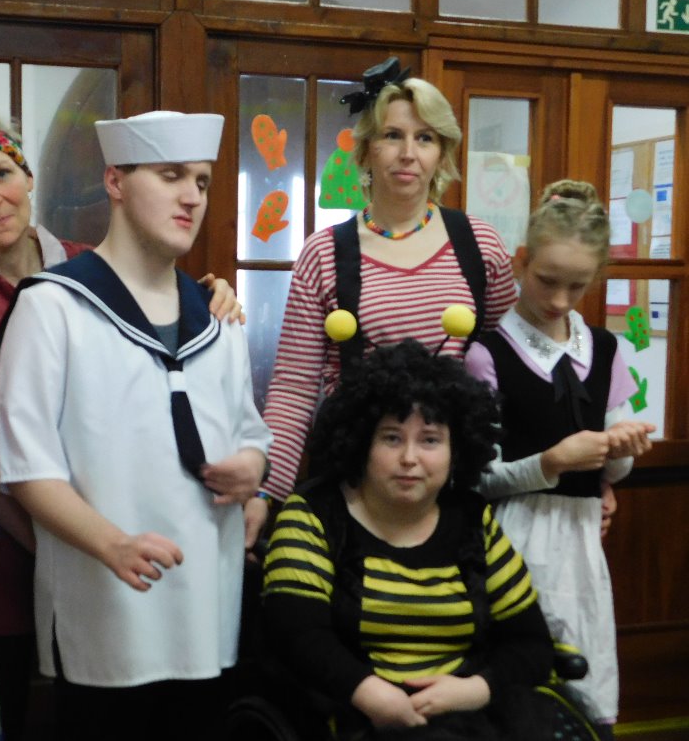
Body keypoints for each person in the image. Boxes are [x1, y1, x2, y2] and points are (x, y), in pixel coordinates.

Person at [0, 105, 244, 738]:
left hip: (111, 533)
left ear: (28, 178)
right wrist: (78, 536)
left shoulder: (88, 270)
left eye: (2, 174)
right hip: (1, 534)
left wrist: (207, 297)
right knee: (21, 703)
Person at [262, 339, 554, 740]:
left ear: (456, 449)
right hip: (343, 712)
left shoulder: (472, 519)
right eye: (392, 438)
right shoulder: (315, 512)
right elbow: (295, 634)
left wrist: (473, 690)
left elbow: (531, 644)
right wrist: (368, 692)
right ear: (362, 443)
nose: (410, 458)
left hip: (466, 714)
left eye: (430, 440)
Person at [260, 58, 517, 502]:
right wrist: (267, 495)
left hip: (452, 484)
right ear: (365, 151)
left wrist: (557, 482)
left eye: (425, 138)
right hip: (355, 482)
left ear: (441, 154)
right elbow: (293, 388)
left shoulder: (480, 245)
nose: (408, 153)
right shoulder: (324, 253)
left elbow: (512, 370)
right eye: (392, 135)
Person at [464, 179, 655, 734]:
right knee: (520, 680)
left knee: (584, 674)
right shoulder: (487, 354)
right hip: (513, 536)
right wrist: (551, 462)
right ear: (521, 261)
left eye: (578, 286)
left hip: (582, 540)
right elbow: (480, 478)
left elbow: (611, 471)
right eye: (547, 281)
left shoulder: (607, 349)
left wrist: (620, 453)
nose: (560, 301)